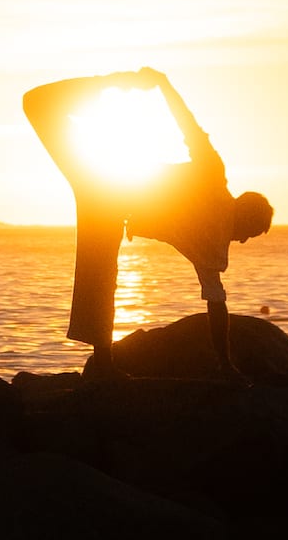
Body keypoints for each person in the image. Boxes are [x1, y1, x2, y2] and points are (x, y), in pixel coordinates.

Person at [24, 67, 274, 379]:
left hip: (109, 182)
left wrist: (162, 85)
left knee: (35, 102)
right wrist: (225, 364)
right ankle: (103, 363)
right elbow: (216, 303)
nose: (244, 241)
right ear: (245, 213)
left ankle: (103, 364)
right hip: (112, 189)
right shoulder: (213, 243)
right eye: (250, 233)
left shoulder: (214, 179)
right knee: (100, 275)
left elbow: (189, 125)